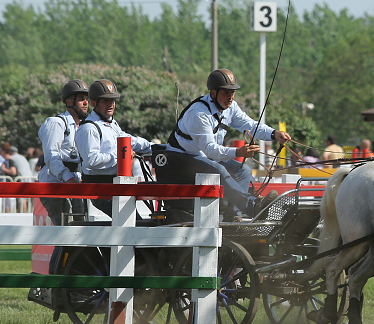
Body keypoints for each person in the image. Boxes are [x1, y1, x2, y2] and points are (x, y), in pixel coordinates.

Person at [157, 69, 288, 219]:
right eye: (226, 92)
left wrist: (274, 134)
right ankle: (252, 206)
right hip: (181, 160)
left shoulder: (230, 107)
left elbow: (250, 125)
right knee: (218, 168)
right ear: (213, 93)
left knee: (243, 171)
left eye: (233, 92)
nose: (230, 97)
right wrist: (238, 152)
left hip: (203, 159)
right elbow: (210, 151)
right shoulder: (199, 114)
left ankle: (233, 215)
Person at [75, 79, 153, 218]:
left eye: (112, 101)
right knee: (134, 225)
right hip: (101, 189)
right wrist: (122, 157)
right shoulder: (89, 128)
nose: (110, 104)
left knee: (136, 223)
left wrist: (156, 148)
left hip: (115, 186)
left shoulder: (112, 124)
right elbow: (91, 160)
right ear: (94, 103)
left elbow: (130, 141)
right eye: (105, 101)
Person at [37, 80, 90, 225]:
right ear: (68, 101)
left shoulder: (86, 126)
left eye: (87, 99)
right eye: (80, 99)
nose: (86, 103)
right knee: (65, 234)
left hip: (75, 184)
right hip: (56, 184)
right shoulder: (56, 123)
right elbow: (51, 157)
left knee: (81, 232)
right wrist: (70, 179)